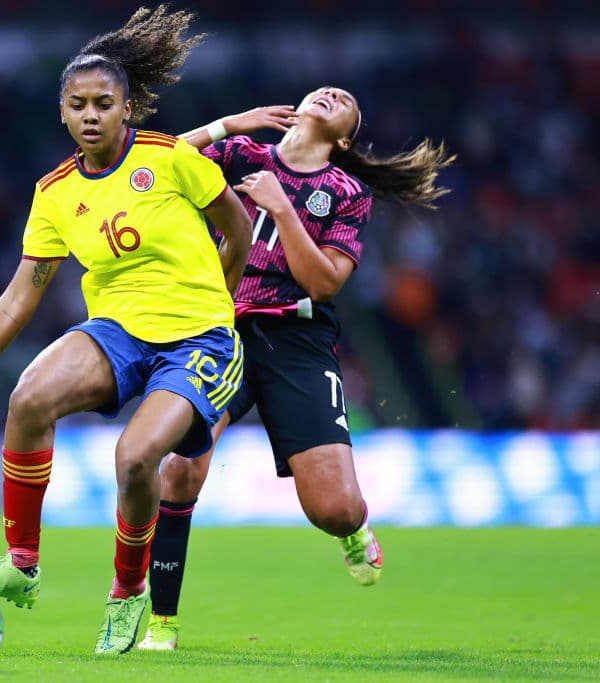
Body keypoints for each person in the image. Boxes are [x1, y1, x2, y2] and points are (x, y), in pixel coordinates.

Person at [0, 5, 252, 655]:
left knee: (135, 457)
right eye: (78, 104)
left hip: (198, 341)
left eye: (104, 103)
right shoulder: (55, 193)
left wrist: (219, 302)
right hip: (118, 333)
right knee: (28, 397)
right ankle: (21, 562)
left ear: (128, 110)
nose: (91, 114)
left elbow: (236, 229)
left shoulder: (172, 159)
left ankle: (127, 593)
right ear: (63, 114)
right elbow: (18, 298)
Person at [137, 87, 455, 650]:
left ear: (345, 139)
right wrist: (228, 123)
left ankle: (355, 528)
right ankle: (162, 622)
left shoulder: (346, 192)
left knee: (333, 509)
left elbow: (324, 282)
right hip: (219, 332)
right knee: (181, 469)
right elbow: (149, 169)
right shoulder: (241, 155)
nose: (332, 93)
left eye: (346, 100)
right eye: (325, 90)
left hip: (298, 340)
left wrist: (281, 207)